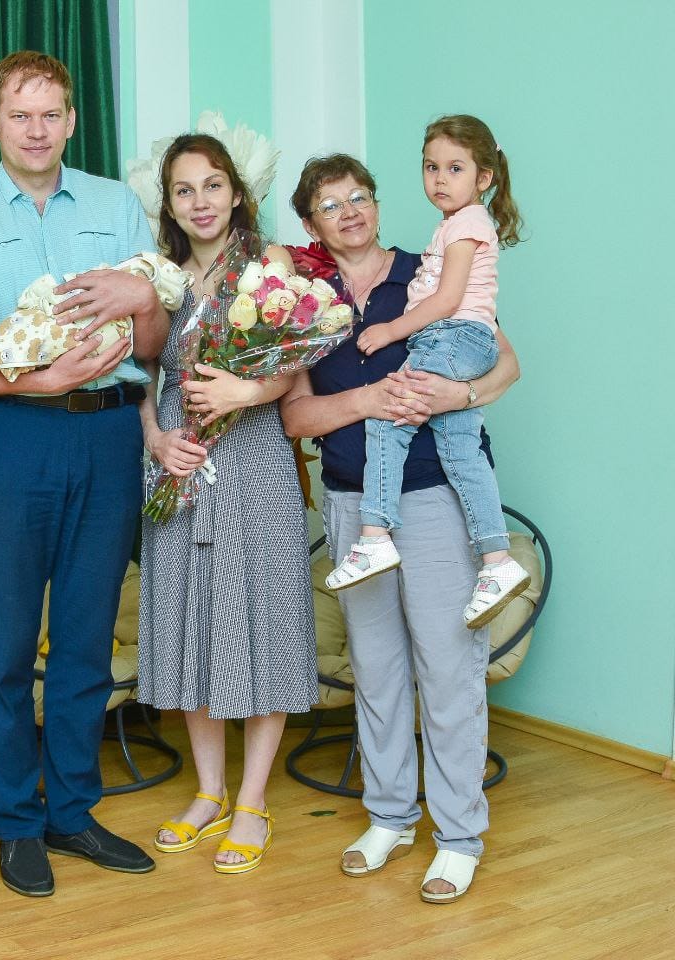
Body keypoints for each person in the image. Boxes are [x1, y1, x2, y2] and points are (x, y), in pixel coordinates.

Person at [0, 50, 168, 897]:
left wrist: (142, 303)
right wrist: (35, 379)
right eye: (20, 115)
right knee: (6, 645)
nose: (36, 130)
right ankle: (17, 824)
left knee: (88, 640)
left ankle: (73, 812)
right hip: (7, 438)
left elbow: (157, 341)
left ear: (70, 121)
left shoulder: (116, 207)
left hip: (106, 436)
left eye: (51, 114)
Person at [280, 153, 521, 903]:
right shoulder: (302, 301)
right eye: (330, 204)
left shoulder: (429, 272)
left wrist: (458, 395)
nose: (349, 211)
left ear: (378, 205)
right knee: (378, 672)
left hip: (437, 498)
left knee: (448, 670)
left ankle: (458, 838)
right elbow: (295, 417)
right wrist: (370, 401)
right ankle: (389, 818)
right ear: (311, 222)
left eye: (360, 196)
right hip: (353, 504)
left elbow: (506, 366)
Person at [136, 134, 318, 875]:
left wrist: (247, 390)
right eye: (184, 190)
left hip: (255, 462)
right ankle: (208, 792)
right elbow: (139, 377)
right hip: (181, 462)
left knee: (262, 624)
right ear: (169, 204)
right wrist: (155, 440)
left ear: (237, 192)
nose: (201, 201)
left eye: (213, 185)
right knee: (190, 627)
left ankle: (251, 801)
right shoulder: (158, 278)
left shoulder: (269, 264)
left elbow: (296, 360)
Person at [324, 116, 529, 629]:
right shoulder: (457, 223)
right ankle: (497, 560)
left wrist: (390, 331)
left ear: (484, 177)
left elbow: (448, 299)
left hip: (452, 337)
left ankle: (375, 535)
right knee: (461, 451)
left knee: (388, 418)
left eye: (455, 168)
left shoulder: (465, 224)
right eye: (431, 167)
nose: (439, 179)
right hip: (461, 338)